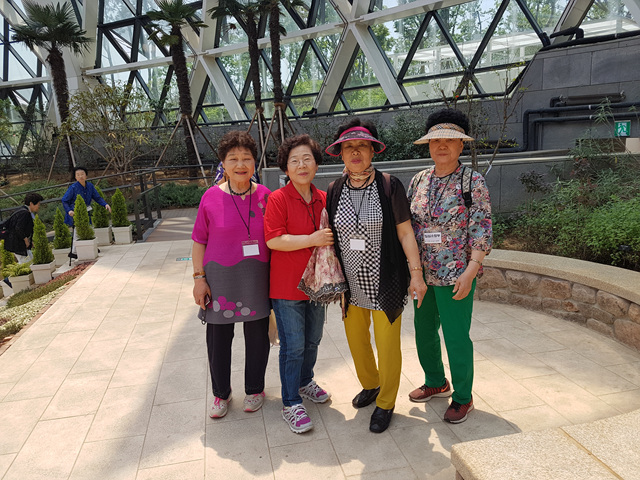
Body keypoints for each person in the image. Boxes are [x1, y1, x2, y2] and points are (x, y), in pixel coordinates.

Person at [325, 119, 427, 433]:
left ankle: (386, 402)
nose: (355, 152)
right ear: (341, 153)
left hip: (386, 280)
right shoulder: (334, 189)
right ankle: (371, 384)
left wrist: (416, 274)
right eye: (349, 147)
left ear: (373, 151)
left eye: (362, 146)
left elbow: (406, 233)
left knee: (387, 345)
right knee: (357, 342)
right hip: (350, 283)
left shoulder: (389, 185)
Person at [406, 108, 492, 424]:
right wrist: (412, 272)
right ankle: (435, 381)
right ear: (428, 146)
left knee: (456, 337)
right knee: (424, 331)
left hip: (457, 274)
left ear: (460, 145)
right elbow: (408, 228)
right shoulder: (419, 180)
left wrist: (471, 271)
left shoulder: (473, 181)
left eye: (449, 140)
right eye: (435, 141)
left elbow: (482, 229)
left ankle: (463, 398)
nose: (442, 146)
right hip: (423, 274)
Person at [192, 130, 271, 419]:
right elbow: (199, 241)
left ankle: (255, 389)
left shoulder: (266, 196)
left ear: (254, 163)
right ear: (223, 164)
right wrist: (199, 279)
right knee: (218, 340)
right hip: (219, 279)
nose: (240, 164)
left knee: (258, 337)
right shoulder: (210, 197)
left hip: (257, 278)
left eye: (246, 158)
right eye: (233, 159)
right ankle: (221, 393)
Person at [264, 134, 333, 434]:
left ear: (316, 164)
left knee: (313, 339)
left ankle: (305, 382)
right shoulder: (278, 199)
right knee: (292, 346)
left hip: (317, 284)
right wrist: (312, 239)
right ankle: (291, 402)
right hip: (287, 286)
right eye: (295, 161)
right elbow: (274, 239)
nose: (302, 165)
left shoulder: (324, 198)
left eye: (307, 159)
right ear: (286, 168)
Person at [61, 166, 111, 253]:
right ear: (75, 177)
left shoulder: (90, 186)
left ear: (86, 175)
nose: (80, 176)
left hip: (86, 212)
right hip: (75, 213)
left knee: (89, 228)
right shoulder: (73, 188)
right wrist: (69, 211)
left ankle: (91, 247)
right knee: (77, 232)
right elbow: (64, 200)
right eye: (78, 175)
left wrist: (105, 204)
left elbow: (97, 197)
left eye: (82, 174)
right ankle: (74, 252)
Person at [3, 192, 43, 263]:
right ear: (31, 203)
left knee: (29, 260)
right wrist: (26, 240)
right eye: (38, 204)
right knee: (26, 262)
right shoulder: (25, 213)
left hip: (17, 242)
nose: (38, 206)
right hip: (17, 243)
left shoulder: (23, 211)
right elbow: (18, 228)